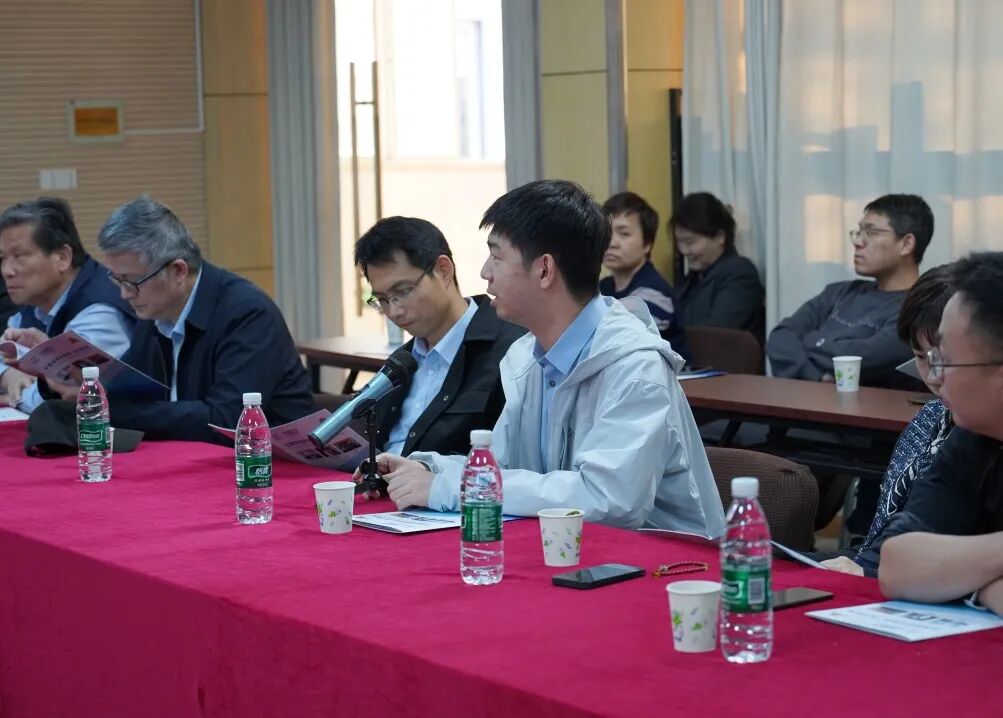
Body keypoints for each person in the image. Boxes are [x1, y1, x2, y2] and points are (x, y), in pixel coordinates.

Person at [358, 180, 726, 536]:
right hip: (572, 549)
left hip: (668, 562)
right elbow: (503, 465)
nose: (485, 272)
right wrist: (428, 467)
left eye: (496, 256)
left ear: (545, 270)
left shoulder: (635, 367)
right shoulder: (527, 357)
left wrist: (453, 487)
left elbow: (609, 500)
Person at [94, 197, 315, 442]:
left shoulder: (248, 314)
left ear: (178, 271)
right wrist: (95, 390)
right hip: (192, 455)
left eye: (133, 281)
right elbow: (130, 393)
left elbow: (227, 419)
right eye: (118, 280)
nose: (125, 294)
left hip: (269, 458)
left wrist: (124, 413)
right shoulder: (155, 310)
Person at [874, 253, 1003, 616]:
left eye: (944, 359)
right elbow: (898, 567)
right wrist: (987, 588)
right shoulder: (973, 436)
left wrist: (964, 576)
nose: (935, 376)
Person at [818, 265, 954, 575]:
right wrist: (863, 564)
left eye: (944, 358)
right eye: (920, 357)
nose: (934, 376)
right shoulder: (931, 418)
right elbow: (882, 536)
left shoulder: (977, 434)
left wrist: (868, 569)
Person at [354, 216, 523, 456]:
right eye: (382, 300)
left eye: (403, 291)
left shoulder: (511, 349)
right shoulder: (401, 362)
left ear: (443, 270)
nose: (394, 311)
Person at [767, 194, 934, 388]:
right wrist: (817, 377)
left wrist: (808, 341)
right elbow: (780, 338)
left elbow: (866, 357)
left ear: (906, 244)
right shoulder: (839, 292)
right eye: (859, 232)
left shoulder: (920, 309)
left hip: (870, 406)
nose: (858, 242)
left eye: (871, 232)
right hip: (807, 400)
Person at [0, 197, 133, 412]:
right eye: (2, 258)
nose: (7, 270)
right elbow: (4, 353)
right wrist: (7, 374)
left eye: (19, 256)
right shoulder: (34, 299)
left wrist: (11, 397)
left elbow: (62, 395)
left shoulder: (99, 312)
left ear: (62, 257)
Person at [599, 192, 689, 361]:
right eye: (607, 232)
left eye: (624, 234)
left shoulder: (654, 291)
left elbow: (620, 344)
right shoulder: (603, 287)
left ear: (647, 243)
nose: (612, 243)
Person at [673, 192, 764, 336]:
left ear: (720, 237)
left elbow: (714, 333)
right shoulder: (692, 279)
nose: (684, 250)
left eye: (690, 242)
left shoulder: (740, 274)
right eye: (680, 242)